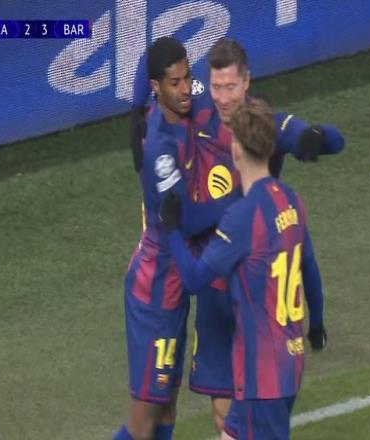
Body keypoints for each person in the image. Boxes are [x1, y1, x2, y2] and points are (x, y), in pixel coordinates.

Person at [129, 37, 344, 433]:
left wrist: (315, 136)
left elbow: (317, 137)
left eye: (231, 86)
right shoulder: (195, 103)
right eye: (216, 86)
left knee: (232, 421)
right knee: (218, 413)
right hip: (216, 285)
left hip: (253, 295)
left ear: (246, 82)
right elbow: (155, 67)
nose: (223, 97)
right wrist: (134, 111)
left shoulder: (258, 125)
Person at [159, 98, 327, 440]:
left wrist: (173, 230)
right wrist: (317, 322)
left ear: (236, 150)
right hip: (285, 363)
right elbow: (308, 266)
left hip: (261, 377)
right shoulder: (290, 200)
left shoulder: (244, 216)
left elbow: (194, 279)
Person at [113, 37, 239, 440]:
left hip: (177, 284)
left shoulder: (186, 97)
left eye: (187, 77)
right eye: (175, 82)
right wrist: (235, 201)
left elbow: (151, 59)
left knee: (167, 405)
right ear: (158, 86)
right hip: (155, 290)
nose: (186, 88)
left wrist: (134, 105)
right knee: (144, 420)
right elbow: (185, 222)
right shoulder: (160, 149)